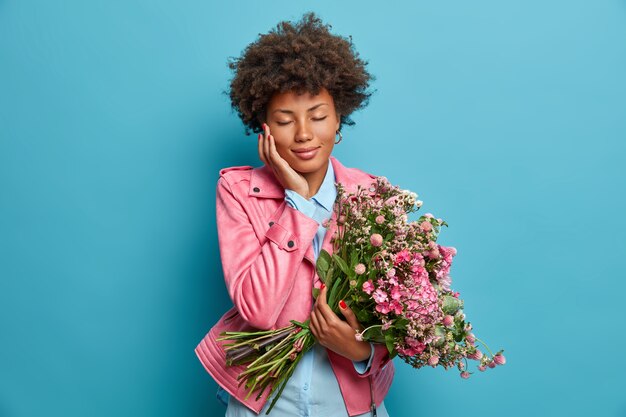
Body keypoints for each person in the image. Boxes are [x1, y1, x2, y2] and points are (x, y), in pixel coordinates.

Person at [194, 12, 395, 417]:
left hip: (350, 403)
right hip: (263, 402)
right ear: (263, 127)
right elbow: (258, 310)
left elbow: (394, 315)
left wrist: (359, 350)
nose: (304, 133)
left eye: (318, 116)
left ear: (339, 119)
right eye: (285, 121)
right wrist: (299, 204)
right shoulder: (238, 192)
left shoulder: (373, 196)